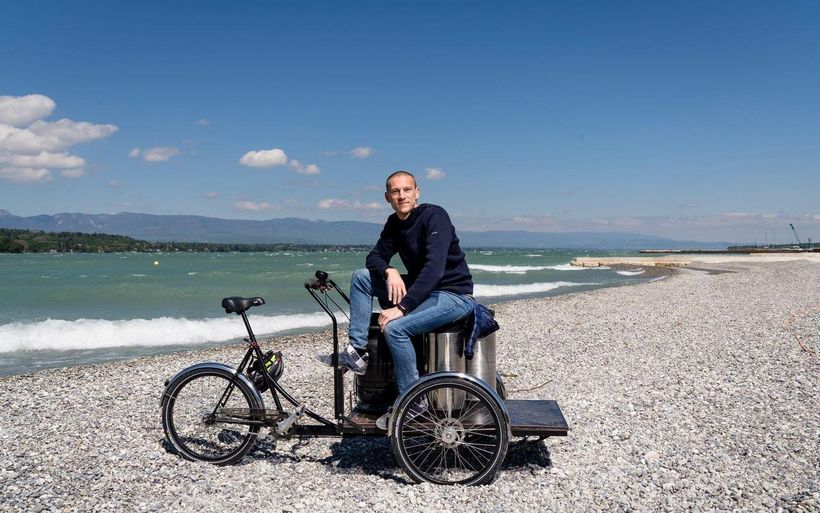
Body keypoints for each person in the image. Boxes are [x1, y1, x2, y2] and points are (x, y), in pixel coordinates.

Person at [318, 170, 475, 429]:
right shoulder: (394, 223)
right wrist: (389, 271)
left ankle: (413, 401)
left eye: (407, 190)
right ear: (387, 197)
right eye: (395, 191)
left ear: (417, 193)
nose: (402, 196)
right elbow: (374, 257)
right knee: (361, 277)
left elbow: (434, 270)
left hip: (454, 294)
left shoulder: (435, 216)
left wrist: (401, 308)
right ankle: (357, 352)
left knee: (395, 329)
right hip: (425, 290)